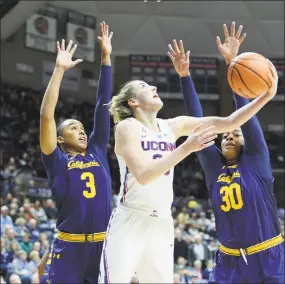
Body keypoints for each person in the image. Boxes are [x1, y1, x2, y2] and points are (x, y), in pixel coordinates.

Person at [98, 35, 280, 283]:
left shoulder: (174, 126)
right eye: (144, 87)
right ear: (133, 102)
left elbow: (232, 122)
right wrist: (187, 147)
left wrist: (265, 95)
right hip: (132, 216)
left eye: (152, 86)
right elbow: (143, 174)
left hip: (163, 221)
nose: (153, 87)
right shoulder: (127, 127)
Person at [169, 22, 283, 283]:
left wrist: (233, 63)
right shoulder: (213, 166)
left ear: (246, 144)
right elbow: (196, 123)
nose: (230, 135)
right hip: (228, 261)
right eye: (226, 135)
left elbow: (246, 121)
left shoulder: (257, 162)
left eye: (235, 134)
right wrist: (185, 77)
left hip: (267, 257)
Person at [40, 22, 113, 283]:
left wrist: (106, 59)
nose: (81, 131)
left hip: (103, 246)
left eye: (82, 128)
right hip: (69, 247)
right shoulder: (55, 160)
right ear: (60, 138)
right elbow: (47, 115)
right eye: (73, 128)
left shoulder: (97, 151)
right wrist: (59, 70)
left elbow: (103, 106)